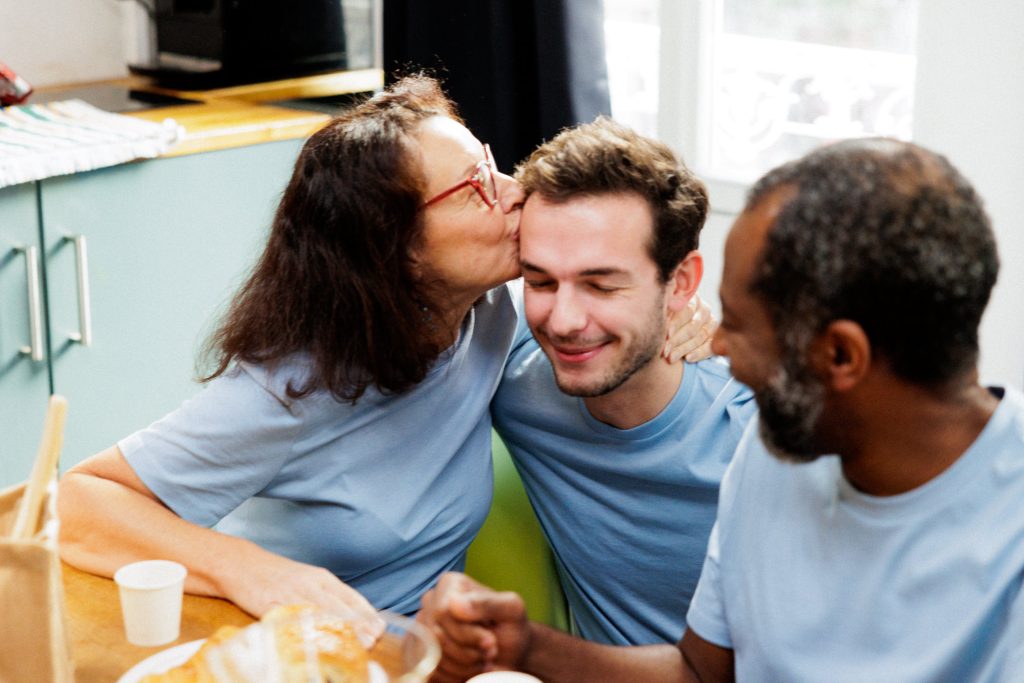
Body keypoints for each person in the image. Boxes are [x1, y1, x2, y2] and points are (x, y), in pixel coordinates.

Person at [57, 76, 709, 627]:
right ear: (395, 249)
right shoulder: (293, 388)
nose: (515, 189)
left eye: (488, 161)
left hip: (417, 651)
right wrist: (250, 572)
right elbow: (78, 502)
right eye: (477, 186)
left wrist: (682, 315)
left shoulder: (491, 312)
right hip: (293, 648)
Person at [421, 137, 1024, 682]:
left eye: (733, 324)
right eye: (543, 282)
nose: (714, 348)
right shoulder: (776, 453)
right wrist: (524, 647)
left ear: (842, 355)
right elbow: (701, 670)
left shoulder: (752, 429)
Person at [420, 117, 754, 679]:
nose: (566, 321)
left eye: (602, 285)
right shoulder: (511, 367)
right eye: (541, 281)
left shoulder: (755, 437)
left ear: (682, 283)